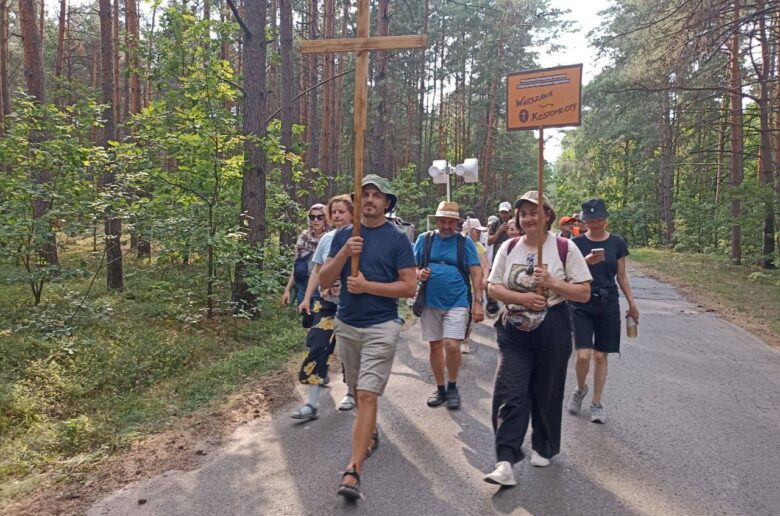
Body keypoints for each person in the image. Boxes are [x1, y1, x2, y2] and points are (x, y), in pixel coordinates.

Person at [319, 174, 417, 501]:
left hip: (382, 325)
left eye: (377, 195)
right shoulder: (344, 236)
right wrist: (345, 253)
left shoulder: (398, 239)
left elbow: (409, 287)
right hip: (347, 324)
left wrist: (367, 286)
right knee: (356, 387)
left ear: (387, 204)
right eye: (365, 195)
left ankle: (353, 469)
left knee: (366, 396)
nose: (371, 200)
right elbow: (324, 280)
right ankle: (370, 433)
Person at [483, 191, 591, 487]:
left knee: (547, 389)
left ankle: (544, 444)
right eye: (524, 213)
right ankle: (505, 459)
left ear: (548, 216)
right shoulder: (509, 246)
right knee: (510, 390)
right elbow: (492, 287)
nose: (528, 218)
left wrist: (553, 283)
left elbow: (583, 292)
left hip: (553, 327)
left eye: (534, 212)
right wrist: (523, 298)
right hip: (514, 329)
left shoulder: (564, 248)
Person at [566, 199, 639, 424]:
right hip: (582, 302)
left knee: (600, 356)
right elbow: (569, 275)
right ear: (584, 221)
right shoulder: (575, 243)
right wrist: (586, 262)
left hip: (608, 303)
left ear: (605, 220)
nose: (595, 224)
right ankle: (580, 389)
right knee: (583, 354)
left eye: (599, 220)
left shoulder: (617, 243)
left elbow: (622, 276)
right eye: (590, 220)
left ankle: (597, 402)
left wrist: (632, 304)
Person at [291, 195, 356, 420]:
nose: (337, 215)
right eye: (334, 212)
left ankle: (351, 392)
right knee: (317, 346)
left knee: (349, 352)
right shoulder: (327, 239)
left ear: (352, 214)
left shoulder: (359, 238)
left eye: (342, 211)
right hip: (326, 303)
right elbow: (317, 271)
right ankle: (312, 403)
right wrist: (307, 298)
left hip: (352, 306)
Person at [415, 202, 484, 408]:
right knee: (435, 345)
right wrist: (420, 273)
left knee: (452, 345)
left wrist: (478, 302)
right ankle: (440, 388)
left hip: (458, 300)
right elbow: (411, 267)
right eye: (443, 221)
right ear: (436, 221)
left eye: (451, 222)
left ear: (457, 223)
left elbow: (475, 272)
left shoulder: (465, 243)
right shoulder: (424, 240)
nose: (446, 226)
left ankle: (452, 385)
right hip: (429, 300)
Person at [281, 203, 328, 307]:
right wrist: (287, 289)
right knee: (305, 318)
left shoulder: (330, 237)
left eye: (320, 217)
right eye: (312, 217)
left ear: (326, 218)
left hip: (322, 286)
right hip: (304, 284)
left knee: (318, 318)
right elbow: (297, 265)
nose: (316, 220)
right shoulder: (303, 237)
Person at [461, 216, 490, 354]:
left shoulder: (479, 247)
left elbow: (484, 265)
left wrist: (485, 277)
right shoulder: (458, 243)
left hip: (475, 287)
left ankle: (465, 339)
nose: (479, 234)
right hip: (460, 286)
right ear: (469, 230)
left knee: (470, 315)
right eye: (476, 231)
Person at [485, 202, 514, 315]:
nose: (504, 215)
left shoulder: (515, 222)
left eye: (506, 212)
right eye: (502, 212)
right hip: (498, 257)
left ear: (510, 212)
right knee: (496, 282)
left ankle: (510, 305)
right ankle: (494, 304)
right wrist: (499, 231)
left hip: (513, 256)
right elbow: (490, 241)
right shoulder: (495, 224)